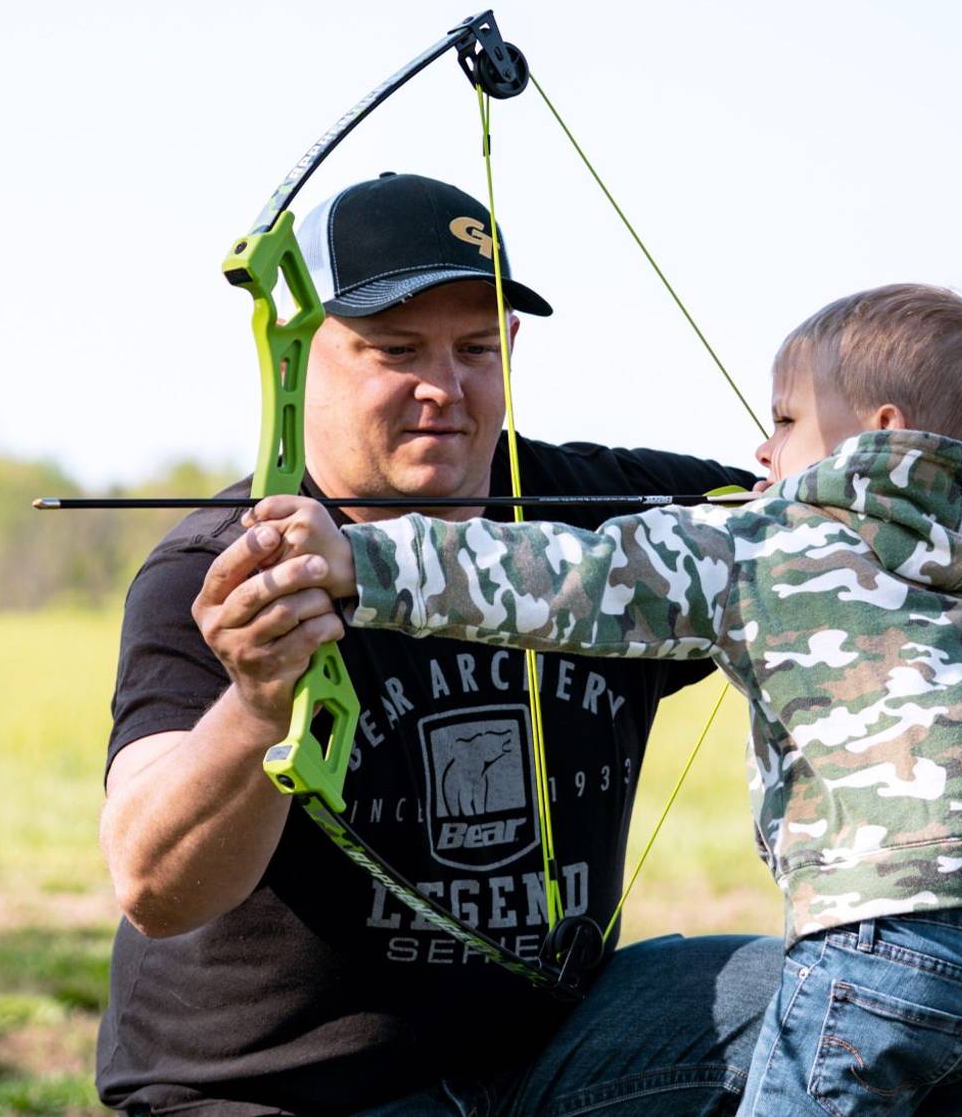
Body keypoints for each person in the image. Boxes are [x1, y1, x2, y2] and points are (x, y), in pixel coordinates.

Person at [251, 283, 962, 1115]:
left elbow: (574, 580)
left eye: (784, 422)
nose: (762, 452)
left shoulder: (771, 546)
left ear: (879, 436)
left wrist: (357, 561)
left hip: (882, 932)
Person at [97, 172, 783, 1115]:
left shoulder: (596, 517)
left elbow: (812, 536)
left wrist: (852, 485)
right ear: (299, 360)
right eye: (394, 350)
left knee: (842, 998)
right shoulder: (220, 573)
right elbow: (155, 885)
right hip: (282, 1095)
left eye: (475, 347)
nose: (444, 389)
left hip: (545, 1067)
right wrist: (259, 701)